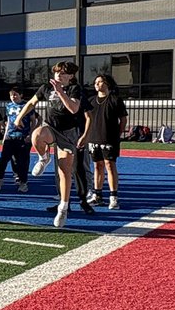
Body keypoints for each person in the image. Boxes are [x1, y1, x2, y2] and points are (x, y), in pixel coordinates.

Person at [14, 61, 91, 228]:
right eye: (56, 72)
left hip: (68, 133)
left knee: (64, 171)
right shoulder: (45, 87)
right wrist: (19, 117)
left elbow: (73, 109)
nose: (58, 75)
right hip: (50, 127)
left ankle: (63, 207)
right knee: (36, 135)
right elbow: (31, 103)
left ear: (70, 76)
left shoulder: (74, 89)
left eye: (63, 73)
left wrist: (60, 91)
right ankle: (43, 157)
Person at [81, 73, 129, 210]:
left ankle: (113, 197)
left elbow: (123, 119)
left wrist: (118, 134)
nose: (97, 84)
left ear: (107, 84)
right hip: (93, 138)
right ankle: (97, 195)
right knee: (97, 166)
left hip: (109, 138)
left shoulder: (115, 100)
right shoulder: (90, 101)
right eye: (96, 82)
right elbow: (86, 119)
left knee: (110, 165)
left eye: (100, 81)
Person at [0, 87, 33, 193]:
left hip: (22, 137)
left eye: (15, 94)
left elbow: (34, 120)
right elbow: (8, 121)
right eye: (11, 95)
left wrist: (30, 134)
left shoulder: (27, 106)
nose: (13, 97)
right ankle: (0, 179)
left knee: (22, 161)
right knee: (3, 159)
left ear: (21, 95)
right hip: (10, 136)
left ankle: (23, 182)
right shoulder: (9, 106)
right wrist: (4, 136)